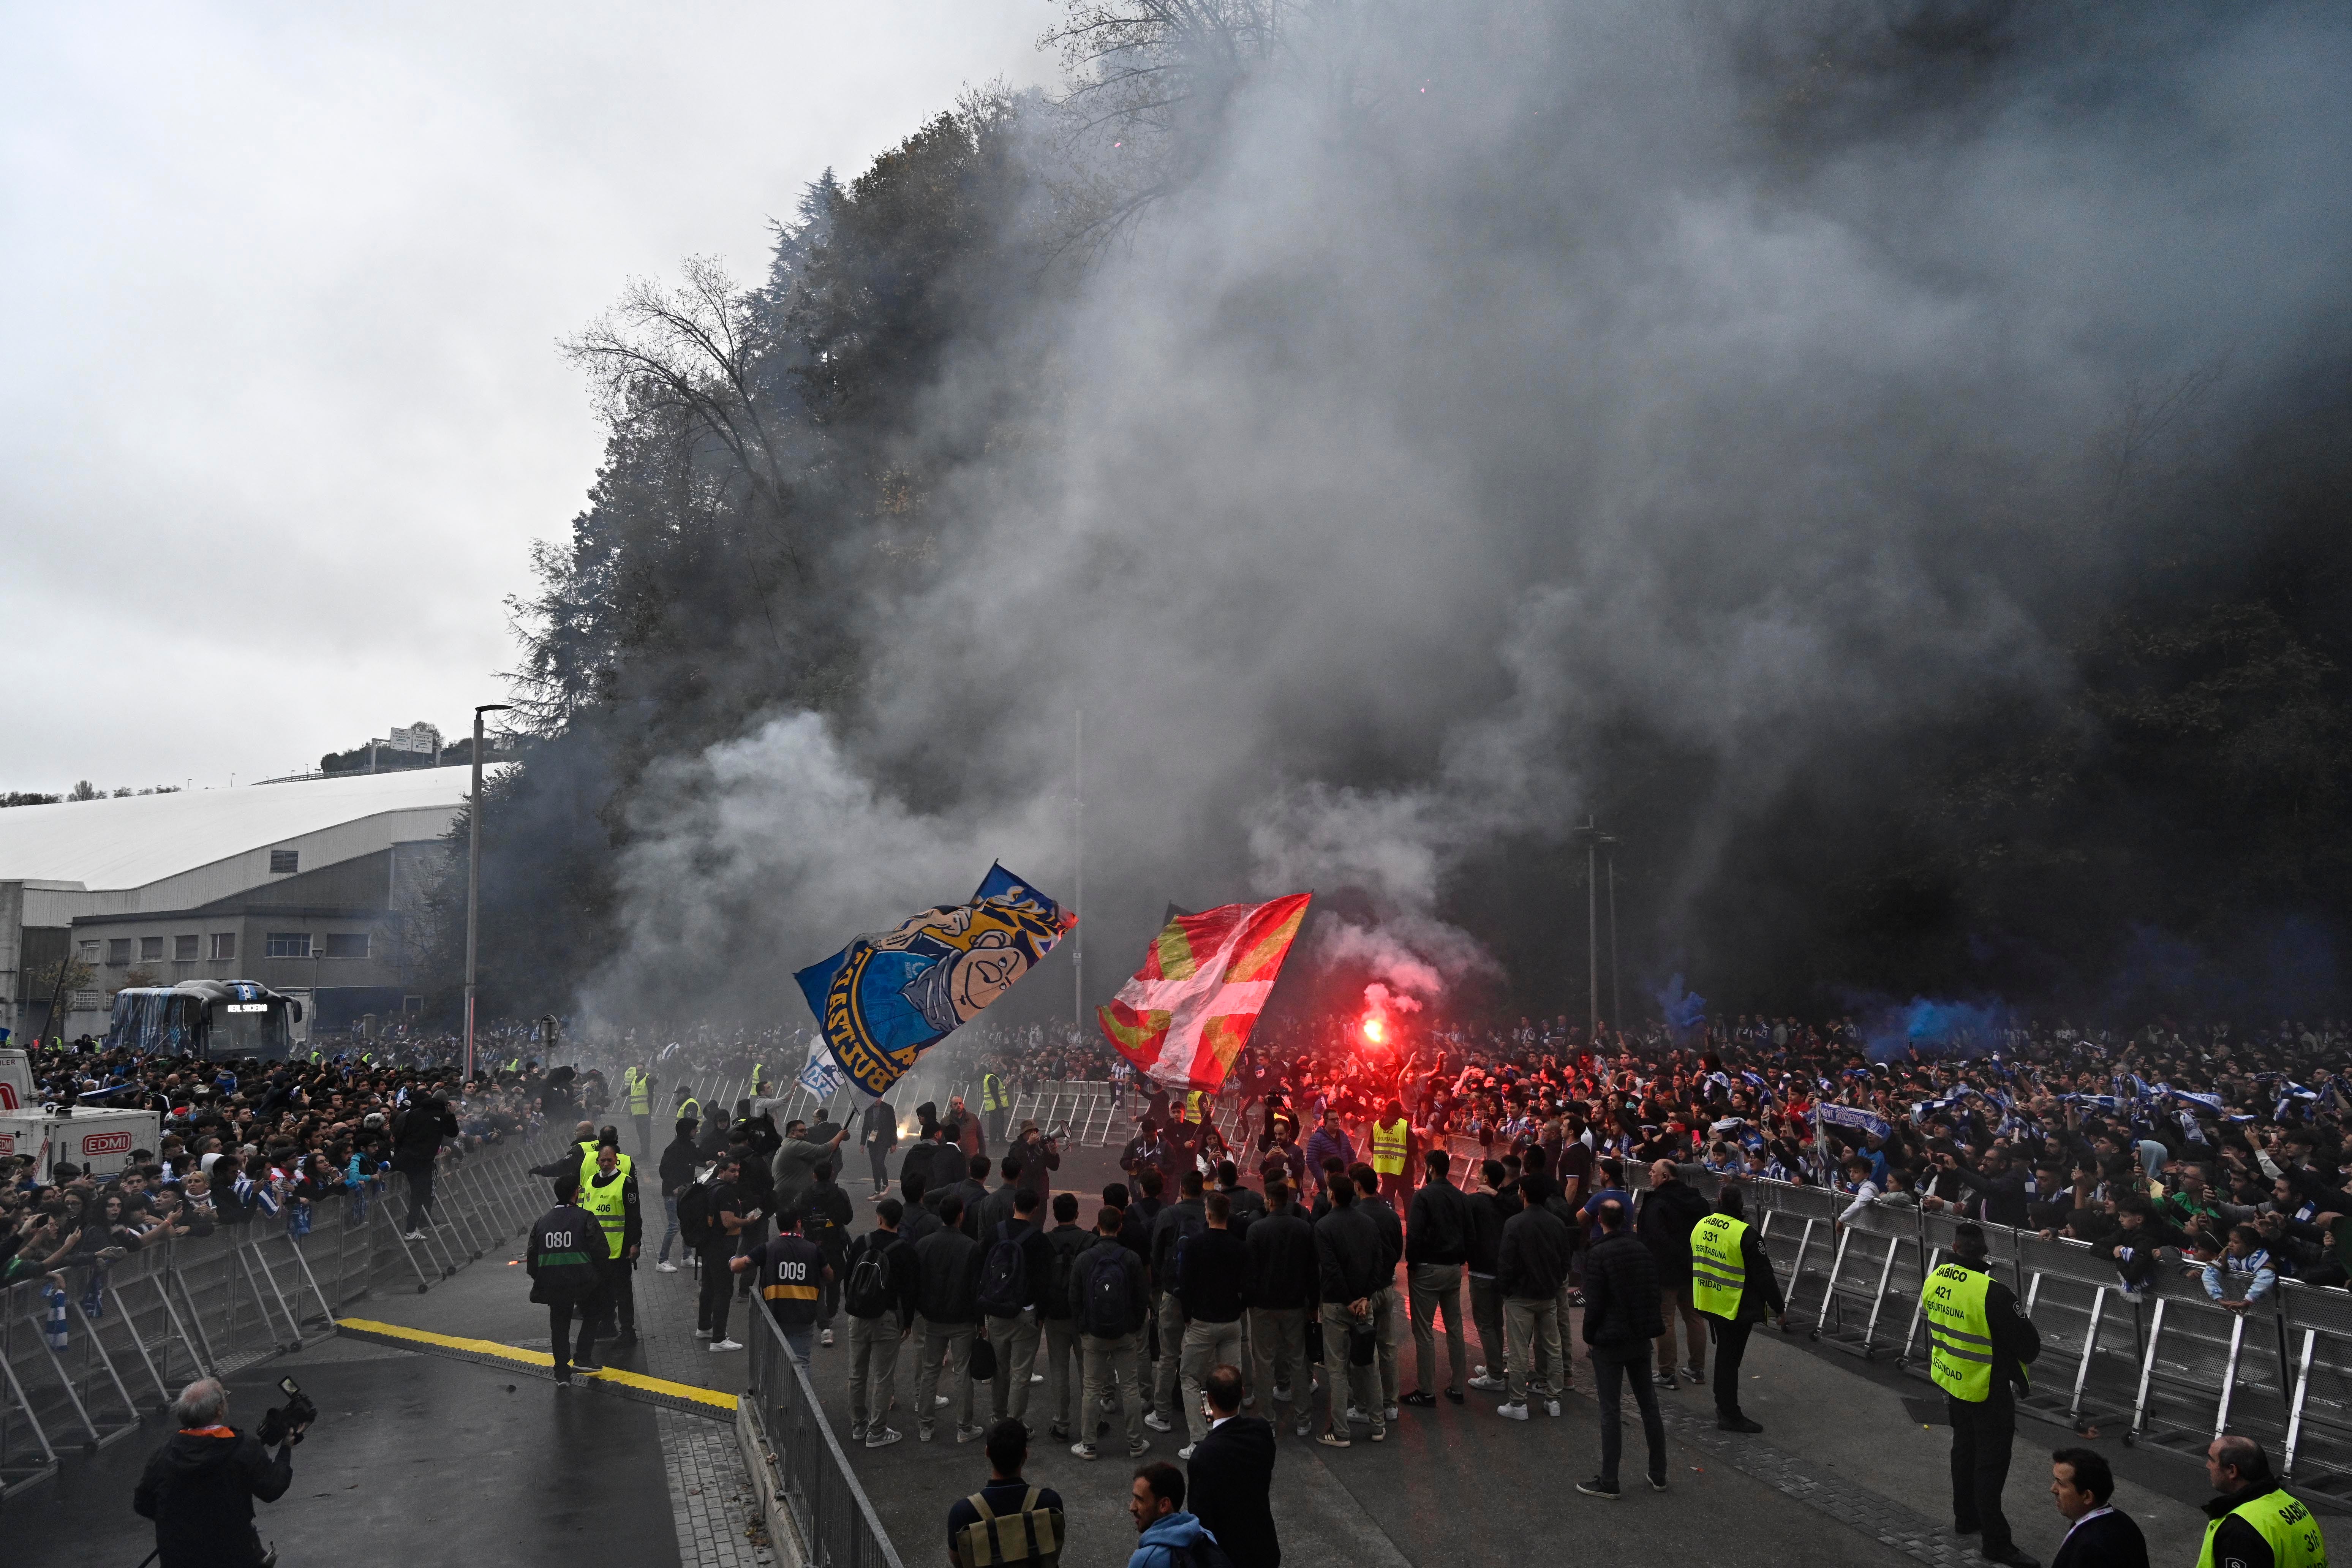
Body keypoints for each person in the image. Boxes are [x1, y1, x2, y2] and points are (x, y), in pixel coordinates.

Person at [1925, 1222, 2041, 1568]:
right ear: (1985, 1252)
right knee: (1990, 1464)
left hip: (1952, 1378)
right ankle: (1996, 1542)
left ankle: (1966, 1517)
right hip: (1987, 1387)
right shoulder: (1995, 1292)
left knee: (1963, 1449)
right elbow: (2029, 1346)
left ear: (1954, 1247)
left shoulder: (1936, 1278)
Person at [133, 1377, 300, 1568]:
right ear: (219, 1410)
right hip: (234, 1556)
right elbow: (272, 1488)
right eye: (225, 1397)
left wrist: (185, 1520)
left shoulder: (163, 1455)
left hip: (179, 1558)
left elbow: (142, 1504)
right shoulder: (242, 1448)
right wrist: (286, 1448)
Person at [1576, 1196, 1666, 1498]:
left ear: (1600, 1221)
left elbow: (1595, 1302)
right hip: (1639, 1338)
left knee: (1611, 1409)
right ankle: (1659, 1472)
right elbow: (1653, 1292)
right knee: (1649, 1406)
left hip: (1610, 1340)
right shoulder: (1642, 1249)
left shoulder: (1598, 1254)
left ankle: (1610, 1479)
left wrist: (1589, 1335)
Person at [1687, 1185, 1786, 1432]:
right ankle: (1729, 1413)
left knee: (1725, 1358)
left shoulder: (1702, 1225)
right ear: (1741, 1205)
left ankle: (1725, 1408)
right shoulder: (1746, 1234)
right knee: (1729, 1361)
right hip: (1735, 1306)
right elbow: (1765, 1277)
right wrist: (1780, 1309)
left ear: (1719, 1199)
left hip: (1709, 1300)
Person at [1070, 1202, 1154, 1462]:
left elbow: (1075, 1297)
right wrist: (1135, 1324)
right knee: (1130, 1387)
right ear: (1120, 1227)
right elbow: (1142, 1297)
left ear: (1098, 1226)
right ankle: (1135, 1443)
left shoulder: (1085, 1258)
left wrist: (1083, 1327)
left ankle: (1089, 1444)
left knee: (1092, 1388)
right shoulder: (1130, 1258)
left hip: (1094, 1333)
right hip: (1125, 1332)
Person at [1312, 1171, 1385, 1446]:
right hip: (1365, 1305)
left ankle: (1340, 1430)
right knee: (1369, 1364)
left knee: (1337, 1369)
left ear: (1332, 1194)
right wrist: (1365, 1297)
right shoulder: (1368, 1223)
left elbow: (1331, 1269)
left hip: (1336, 1305)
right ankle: (1378, 1424)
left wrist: (1348, 1301)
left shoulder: (1324, 1227)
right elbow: (1378, 1262)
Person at [1243, 1178, 1317, 1439]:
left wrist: (1250, 1300)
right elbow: (1311, 1270)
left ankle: (1267, 1419)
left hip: (1264, 1304)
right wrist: (1313, 1303)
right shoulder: (1303, 1228)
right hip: (1296, 1303)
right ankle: (1304, 1418)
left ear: (1270, 1201)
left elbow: (1250, 1270)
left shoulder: (1256, 1229)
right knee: (1297, 1359)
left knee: (1264, 1361)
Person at [1176, 1190, 1249, 1457]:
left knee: (1190, 1377)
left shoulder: (1195, 1244)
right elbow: (1247, 1284)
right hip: (1231, 1321)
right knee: (1231, 1378)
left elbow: (1185, 1285)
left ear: (1208, 1214)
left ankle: (1199, 1438)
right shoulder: (1239, 1246)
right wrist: (1239, 1309)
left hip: (1202, 1320)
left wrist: (1187, 1316)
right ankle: (1228, 1435)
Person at [844, 1197, 920, 1448]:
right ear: (900, 1221)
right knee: (883, 1376)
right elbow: (910, 1292)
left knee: (857, 1373)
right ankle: (877, 1431)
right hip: (887, 1318)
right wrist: (907, 1322)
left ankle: (858, 1425)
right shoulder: (905, 1250)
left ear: (879, 1218)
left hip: (857, 1317)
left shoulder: (861, 1243)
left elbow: (848, 1279)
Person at [1187, 1363, 1279, 1568]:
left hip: (1227, 1556)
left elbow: (1201, 1520)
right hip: (1264, 1547)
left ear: (1209, 1400)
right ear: (1242, 1393)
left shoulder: (1203, 1455)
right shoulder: (1261, 1430)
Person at [1495, 1178, 1572, 1420]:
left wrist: (1505, 1289)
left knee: (1519, 1350)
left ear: (1524, 1193)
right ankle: (1554, 1399)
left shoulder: (1515, 1223)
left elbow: (1506, 1261)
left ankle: (1518, 1403)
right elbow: (1564, 1260)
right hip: (1548, 1294)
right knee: (1553, 1347)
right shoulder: (1557, 1224)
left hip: (1520, 1295)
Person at [947, 1418, 1065, 1568]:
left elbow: (958, 1560)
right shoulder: (1050, 1503)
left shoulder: (963, 1513)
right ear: (1026, 1454)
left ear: (987, 1452)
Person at [916, 1191, 986, 1444]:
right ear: (961, 1215)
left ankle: (925, 1426)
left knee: (930, 1371)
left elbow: (918, 1283)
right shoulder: (971, 1248)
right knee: (962, 1372)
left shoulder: (924, 1245)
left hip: (933, 1318)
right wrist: (980, 1323)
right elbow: (975, 1289)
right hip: (963, 1320)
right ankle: (964, 1428)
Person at [1403, 1148, 1471, 1407]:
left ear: (1431, 1169)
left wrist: (1412, 1264)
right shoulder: (1461, 1196)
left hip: (1428, 1268)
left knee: (1424, 1331)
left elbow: (1415, 1234)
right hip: (1453, 1268)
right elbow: (1470, 1233)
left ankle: (1427, 1389)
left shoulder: (1423, 1197)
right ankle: (1457, 1386)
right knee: (1455, 1328)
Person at [981, 1187, 1054, 1426]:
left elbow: (982, 1271)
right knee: (1021, 1373)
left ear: (1014, 1205)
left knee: (1000, 1370)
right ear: (1035, 1210)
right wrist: (1041, 1315)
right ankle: (1014, 1423)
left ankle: (997, 1416)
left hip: (996, 1310)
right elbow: (1045, 1282)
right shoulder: (1039, 1240)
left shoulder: (995, 1233)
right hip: (1026, 1312)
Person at [1638, 1158, 1712, 1390]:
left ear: (1665, 1177)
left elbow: (1653, 1238)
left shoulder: (1658, 1203)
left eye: (1653, 1172)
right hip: (1692, 1266)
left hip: (1666, 1269)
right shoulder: (1697, 1201)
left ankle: (1667, 1372)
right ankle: (1697, 1368)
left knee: (1665, 1318)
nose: (1650, 1175)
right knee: (1694, 1317)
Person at [527, 1174, 609, 1382]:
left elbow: (532, 1261)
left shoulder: (542, 1222)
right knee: (593, 1313)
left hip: (553, 1283)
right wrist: (597, 1277)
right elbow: (601, 1251)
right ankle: (582, 1357)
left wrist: (545, 1277)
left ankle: (561, 1372)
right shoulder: (586, 1217)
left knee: (559, 1325)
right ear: (576, 1192)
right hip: (584, 1281)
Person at [2199, 1434, 2325, 1568]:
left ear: (2232, 1470)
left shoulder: (2241, 1530)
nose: (2208, 1466)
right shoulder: (2292, 1504)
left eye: (2211, 1460)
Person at [730, 1206, 831, 1362]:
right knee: (802, 1362)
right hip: (803, 1315)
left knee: (772, 1362)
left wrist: (733, 1259)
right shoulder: (813, 1250)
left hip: (774, 1314)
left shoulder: (768, 1248)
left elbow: (737, 1267)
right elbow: (830, 1275)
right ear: (799, 1223)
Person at [579, 1140, 643, 1350]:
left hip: (619, 1250)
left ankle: (628, 1330)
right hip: (596, 1252)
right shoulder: (589, 1182)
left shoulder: (627, 1183)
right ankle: (607, 1325)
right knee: (601, 1291)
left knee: (623, 1293)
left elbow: (635, 1217)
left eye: (610, 1160)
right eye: (603, 1160)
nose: (606, 1163)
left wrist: (635, 1244)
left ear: (617, 1160)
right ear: (597, 1162)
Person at [2047, 1447, 2148, 1568]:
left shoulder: (2089, 1549)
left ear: (2087, 1497)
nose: (2053, 1489)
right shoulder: (2124, 1521)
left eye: (2061, 1483)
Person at [1128, 1461, 1219, 1568]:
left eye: (1140, 1499)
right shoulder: (1207, 1537)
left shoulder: (1146, 1560)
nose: (1132, 1508)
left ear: (1164, 1505)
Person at [654, 1115, 700, 1271]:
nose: (697, 1131)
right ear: (687, 1131)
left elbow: (697, 1158)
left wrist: (709, 1161)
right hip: (672, 1194)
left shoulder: (690, 1146)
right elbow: (663, 1170)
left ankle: (687, 1257)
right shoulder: (673, 1148)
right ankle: (662, 1261)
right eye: (694, 1129)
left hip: (686, 1191)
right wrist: (674, 1186)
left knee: (688, 1222)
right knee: (674, 1226)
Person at [863, 1096, 899, 1197]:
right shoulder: (869, 1109)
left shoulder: (888, 1108)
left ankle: (886, 1184)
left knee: (879, 1162)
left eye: (878, 1099)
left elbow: (893, 1126)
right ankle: (877, 1190)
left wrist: (894, 1143)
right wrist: (862, 1143)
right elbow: (865, 1126)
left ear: (882, 1097)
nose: (876, 1101)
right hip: (872, 1139)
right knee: (874, 1165)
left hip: (884, 1140)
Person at [621, 1062, 656, 1160]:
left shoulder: (648, 1079)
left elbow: (655, 1081)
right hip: (637, 1112)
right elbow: (629, 1090)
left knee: (645, 1134)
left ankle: (646, 1154)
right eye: (638, 1070)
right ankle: (643, 1152)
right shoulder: (635, 1079)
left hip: (645, 1111)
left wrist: (652, 1077)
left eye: (641, 1070)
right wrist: (620, 1095)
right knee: (640, 1133)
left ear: (645, 1070)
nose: (639, 1072)